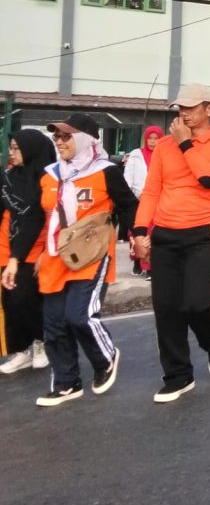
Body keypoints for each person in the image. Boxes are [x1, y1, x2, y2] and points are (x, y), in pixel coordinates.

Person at [132, 83, 210, 403]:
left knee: (195, 303)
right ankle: (178, 376)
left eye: (191, 108)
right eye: (181, 108)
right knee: (166, 309)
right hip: (166, 234)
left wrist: (184, 144)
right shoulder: (164, 146)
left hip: (203, 234)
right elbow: (152, 191)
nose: (184, 113)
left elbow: (208, 178)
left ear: (209, 109)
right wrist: (140, 231)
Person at [35, 113, 137, 406]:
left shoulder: (107, 172)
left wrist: (137, 236)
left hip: (90, 256)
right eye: (57, 136)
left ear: (85, 140)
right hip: (54, 258)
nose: (60, 141)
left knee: (78, 316)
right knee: (54, 324)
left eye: (67, 136)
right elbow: (41, 219)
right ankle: (67, 383)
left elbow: (129, 206)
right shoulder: (49, 174)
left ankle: (105, 358)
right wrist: (36, 253)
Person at [0, 129, 55, 375]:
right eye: (11, 148)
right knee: (9, 301)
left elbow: (47, 218)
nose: (12, 153)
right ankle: (20, 350)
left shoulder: (49, 180)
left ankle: (40, 342)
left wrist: (47, 251)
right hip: (6, 246)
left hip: (35, 247)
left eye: (16, 148)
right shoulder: (9, 177)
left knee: (26, 299)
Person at [123, 124, 164, 279]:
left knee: (153, 233)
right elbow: (128, 178)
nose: (153, 141)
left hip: (159, 202)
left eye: (156, 138)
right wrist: (135, 195)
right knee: (137, 233)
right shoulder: (136, 154)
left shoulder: (164, 154)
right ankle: (137, 262)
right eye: (150, 138)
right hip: (138, 200)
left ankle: (150, 266)